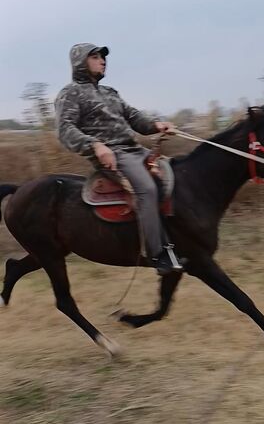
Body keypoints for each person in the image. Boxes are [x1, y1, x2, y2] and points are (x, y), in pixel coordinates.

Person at [55, 43, 183, 275]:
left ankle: (180, 240)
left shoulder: (110, 92)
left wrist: (157, 125)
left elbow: (134, 117)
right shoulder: (70, 93)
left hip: (135, 150)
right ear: (80, 62)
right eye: (95, 56)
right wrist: (95, 145)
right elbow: (65, 129)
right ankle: (158, 255)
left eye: (103, 57)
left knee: (173, 174)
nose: (103, 60)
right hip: (113, 156)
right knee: (145, 188)